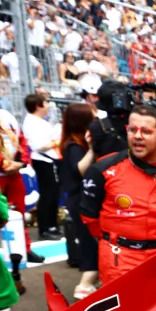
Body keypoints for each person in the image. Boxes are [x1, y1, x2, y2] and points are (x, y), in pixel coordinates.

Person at [80, 105, 156, 285]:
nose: (138, 136)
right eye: (133, 130)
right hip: (118, 260)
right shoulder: (103, 170)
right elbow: (89, 218)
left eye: (146, 132)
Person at [59, 103, 99, 299]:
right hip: (79, 201)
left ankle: (90, 282)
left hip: (81, 200)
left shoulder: (75, 143)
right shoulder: (73, 146)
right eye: (93, 117)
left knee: (91, 240)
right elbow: (80, 170)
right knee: (90, 242)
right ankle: (84, 285)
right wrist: (92, 148)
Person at [22, 94, 61, 240]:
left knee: (53, 194)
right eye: (45, 103)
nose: (48, 105)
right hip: (43, 160)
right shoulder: (32, 122)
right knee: (47, 195)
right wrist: (56, 142)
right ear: (38, 106)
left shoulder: (39, 121)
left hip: (50, 160)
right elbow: (40, 146)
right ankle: (45, 227)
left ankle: (52, 224)